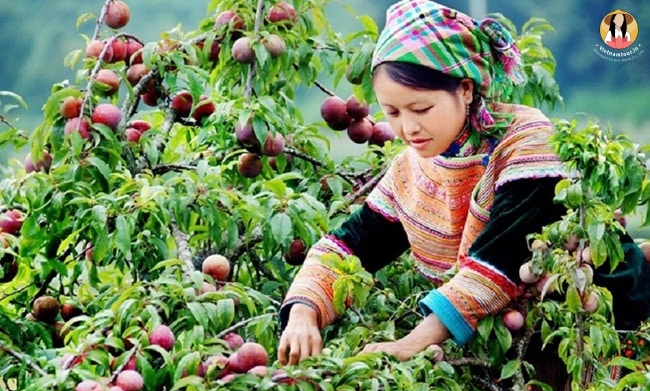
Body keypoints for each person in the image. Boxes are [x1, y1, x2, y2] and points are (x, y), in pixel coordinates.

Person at [277, 0, 650, 371]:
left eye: (421, 109)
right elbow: (350, 245)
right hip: (526, 352)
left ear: (466, 90)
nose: (408, 128)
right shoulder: (412, 168)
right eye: (392, 113)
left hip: (616, 328)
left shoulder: (528, 145)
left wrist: (411, 344)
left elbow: (498, 261)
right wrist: (304, 312)